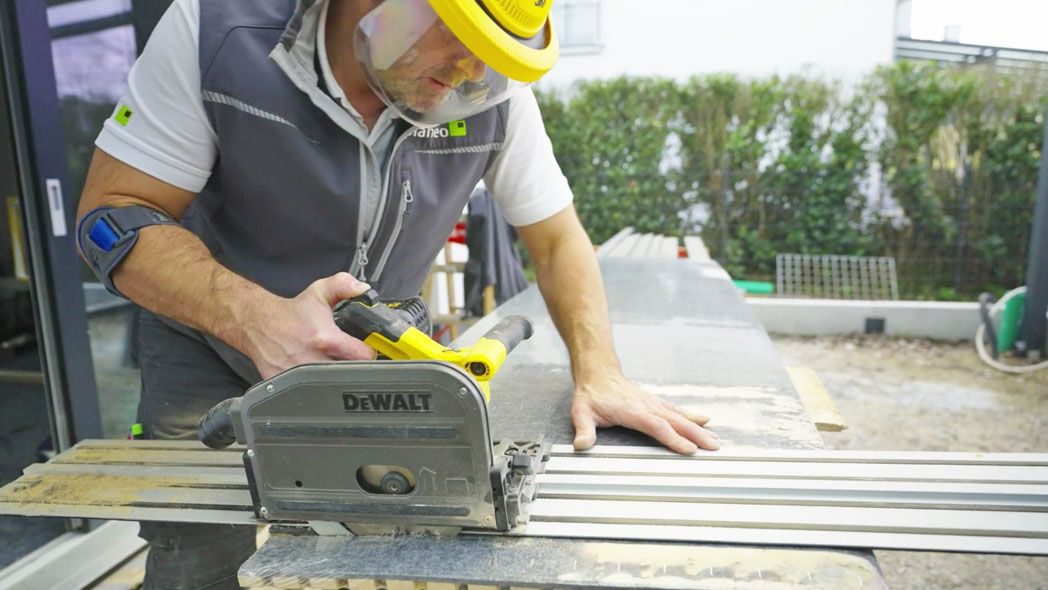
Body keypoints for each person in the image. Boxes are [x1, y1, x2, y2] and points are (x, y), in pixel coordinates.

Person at [75, 0, 719, 587]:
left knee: (392, 543)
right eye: (460, 34)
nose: (472, 71)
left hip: (372, 361)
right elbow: (113, 217)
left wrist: (600, 371)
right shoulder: (216, 32)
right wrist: (257, 319)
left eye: (495, 54)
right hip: (206, 346)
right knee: (197, 551)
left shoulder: (491, 91)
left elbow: (556, 241)